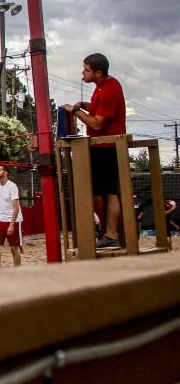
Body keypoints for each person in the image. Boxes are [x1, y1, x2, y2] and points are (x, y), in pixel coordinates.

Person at [61, 53, 127, 250]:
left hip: (107, 146)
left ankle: (112, 234)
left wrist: (75, 111)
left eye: (87, 70)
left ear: (98, 72)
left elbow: (98, 123)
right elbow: (101, 110)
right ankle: (107, 231)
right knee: (99, 192)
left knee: (109, 192)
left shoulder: (110, 89)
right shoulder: (101, 87)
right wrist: (86, 105)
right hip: (99, 147)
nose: (83, 72)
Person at [0, 164, 22, 268]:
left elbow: (16, 207)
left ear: (6, 172)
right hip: (0, 219)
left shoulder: (12, 186)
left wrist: (12, 225)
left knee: (14, 248)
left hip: (13, 220)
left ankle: (17, 271)